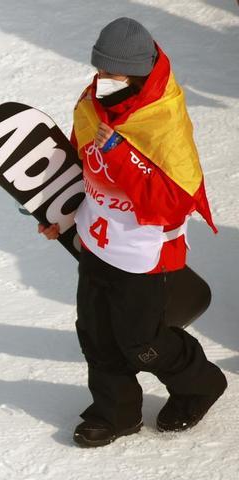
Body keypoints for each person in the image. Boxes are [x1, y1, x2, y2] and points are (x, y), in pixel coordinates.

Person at [37, 17, 226, 448]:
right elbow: (83, 168)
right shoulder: (93, 103)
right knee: (95, 331)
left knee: (141, 340)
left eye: (113, 74)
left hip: (145, 252)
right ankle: (115, 413)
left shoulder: (163, 119)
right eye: (99, 71)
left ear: (138, 75)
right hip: (97, 240)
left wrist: (120, 153)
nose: (102, 82)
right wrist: (62, 217)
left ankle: (200, 383)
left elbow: (174, 201)